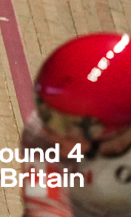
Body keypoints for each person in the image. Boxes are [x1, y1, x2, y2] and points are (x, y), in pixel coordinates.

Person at [19, 32, 131, 215]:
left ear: (112, 127)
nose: (49, 133)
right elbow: (46, 208)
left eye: (67, 126)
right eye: (46, 112)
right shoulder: (38, 131)